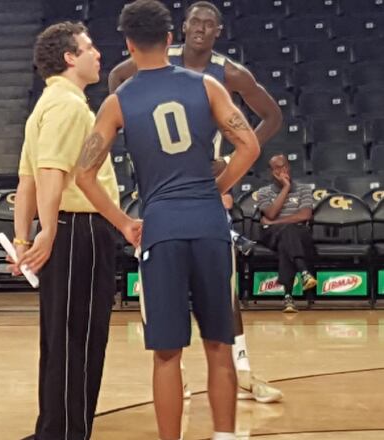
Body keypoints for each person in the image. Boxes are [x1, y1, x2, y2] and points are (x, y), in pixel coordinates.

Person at [74, 1, 260, 439]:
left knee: (166, 354)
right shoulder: (208, 87)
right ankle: (226, 435)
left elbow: (83, 173)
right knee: (220, 344)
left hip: (160, 229)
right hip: (210, 226)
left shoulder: (119, 101)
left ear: (128, 45)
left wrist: (123, 222)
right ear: (171, 40)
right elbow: (249, 145)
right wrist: (217, 187)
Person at [108, 0, 285, 404]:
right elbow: (117, 76)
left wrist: (226, 166)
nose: (201, 29)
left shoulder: (229, 73)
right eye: (195, 22)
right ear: (181, 29)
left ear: (218, 31)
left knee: (224, 289)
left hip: (208, 187)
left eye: (209, 23)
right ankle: (178, 374)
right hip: (163, 189)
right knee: (164, 292)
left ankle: (241, 370)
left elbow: (272, 117)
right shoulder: (156, 60)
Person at [12, 22, 141, 440]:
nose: (97, 54)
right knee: (80, 338)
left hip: (66, 229)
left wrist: (22, 239)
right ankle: (66, 433)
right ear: (70, 57)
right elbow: (49, 172)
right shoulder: (68, 107)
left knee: (59, 337)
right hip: (79, 229)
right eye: (89, 48)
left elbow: (26, 180)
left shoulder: (47, 104)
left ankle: (52, 428)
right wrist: (47, 230)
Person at [256, 154, 317, 313]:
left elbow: (305, 215)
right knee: (288, 233)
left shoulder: (304, 189)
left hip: (296, 233)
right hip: (271, 235)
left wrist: (274, 223)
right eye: (277, 168)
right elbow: (270, 213)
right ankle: (304, 272)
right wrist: (286, 188)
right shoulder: (263, 192)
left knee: (287, 239)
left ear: (289, 167)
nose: (282, 170)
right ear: (271, 171)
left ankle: (288, 297)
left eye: (284, 166)